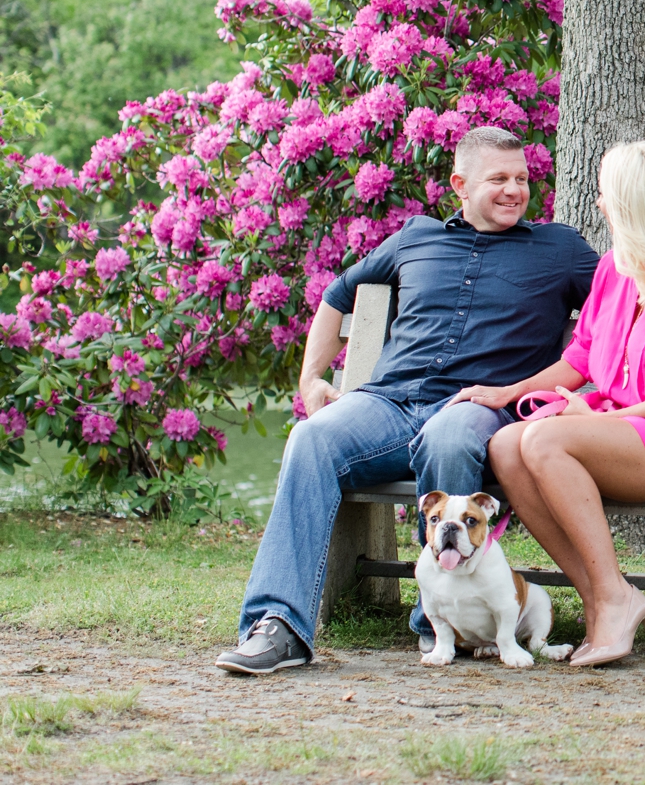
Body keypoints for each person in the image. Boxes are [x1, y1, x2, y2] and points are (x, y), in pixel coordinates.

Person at [215, 126, 599, 675]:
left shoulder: (559, 249)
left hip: (478, 408)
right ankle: (279, 627)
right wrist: (310, 379)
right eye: (499, 179)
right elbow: (336, 295)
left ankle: (437, 623)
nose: (515, 190)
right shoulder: (415, 237)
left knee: (447, 436)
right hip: (387, 403)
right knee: (310, 438)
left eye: (522, 178)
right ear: (459, 185)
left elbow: (624, 306)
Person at [451, 140, 645, 666]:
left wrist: (593, 417)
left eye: (606, 195)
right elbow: (581, 357)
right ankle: (601, 597)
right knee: (507, 444)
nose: (600, 203)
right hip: (612, 430)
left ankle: (614, 596)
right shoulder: (614, 269)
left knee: (544, 436)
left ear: (632, 205)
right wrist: (510, 392)